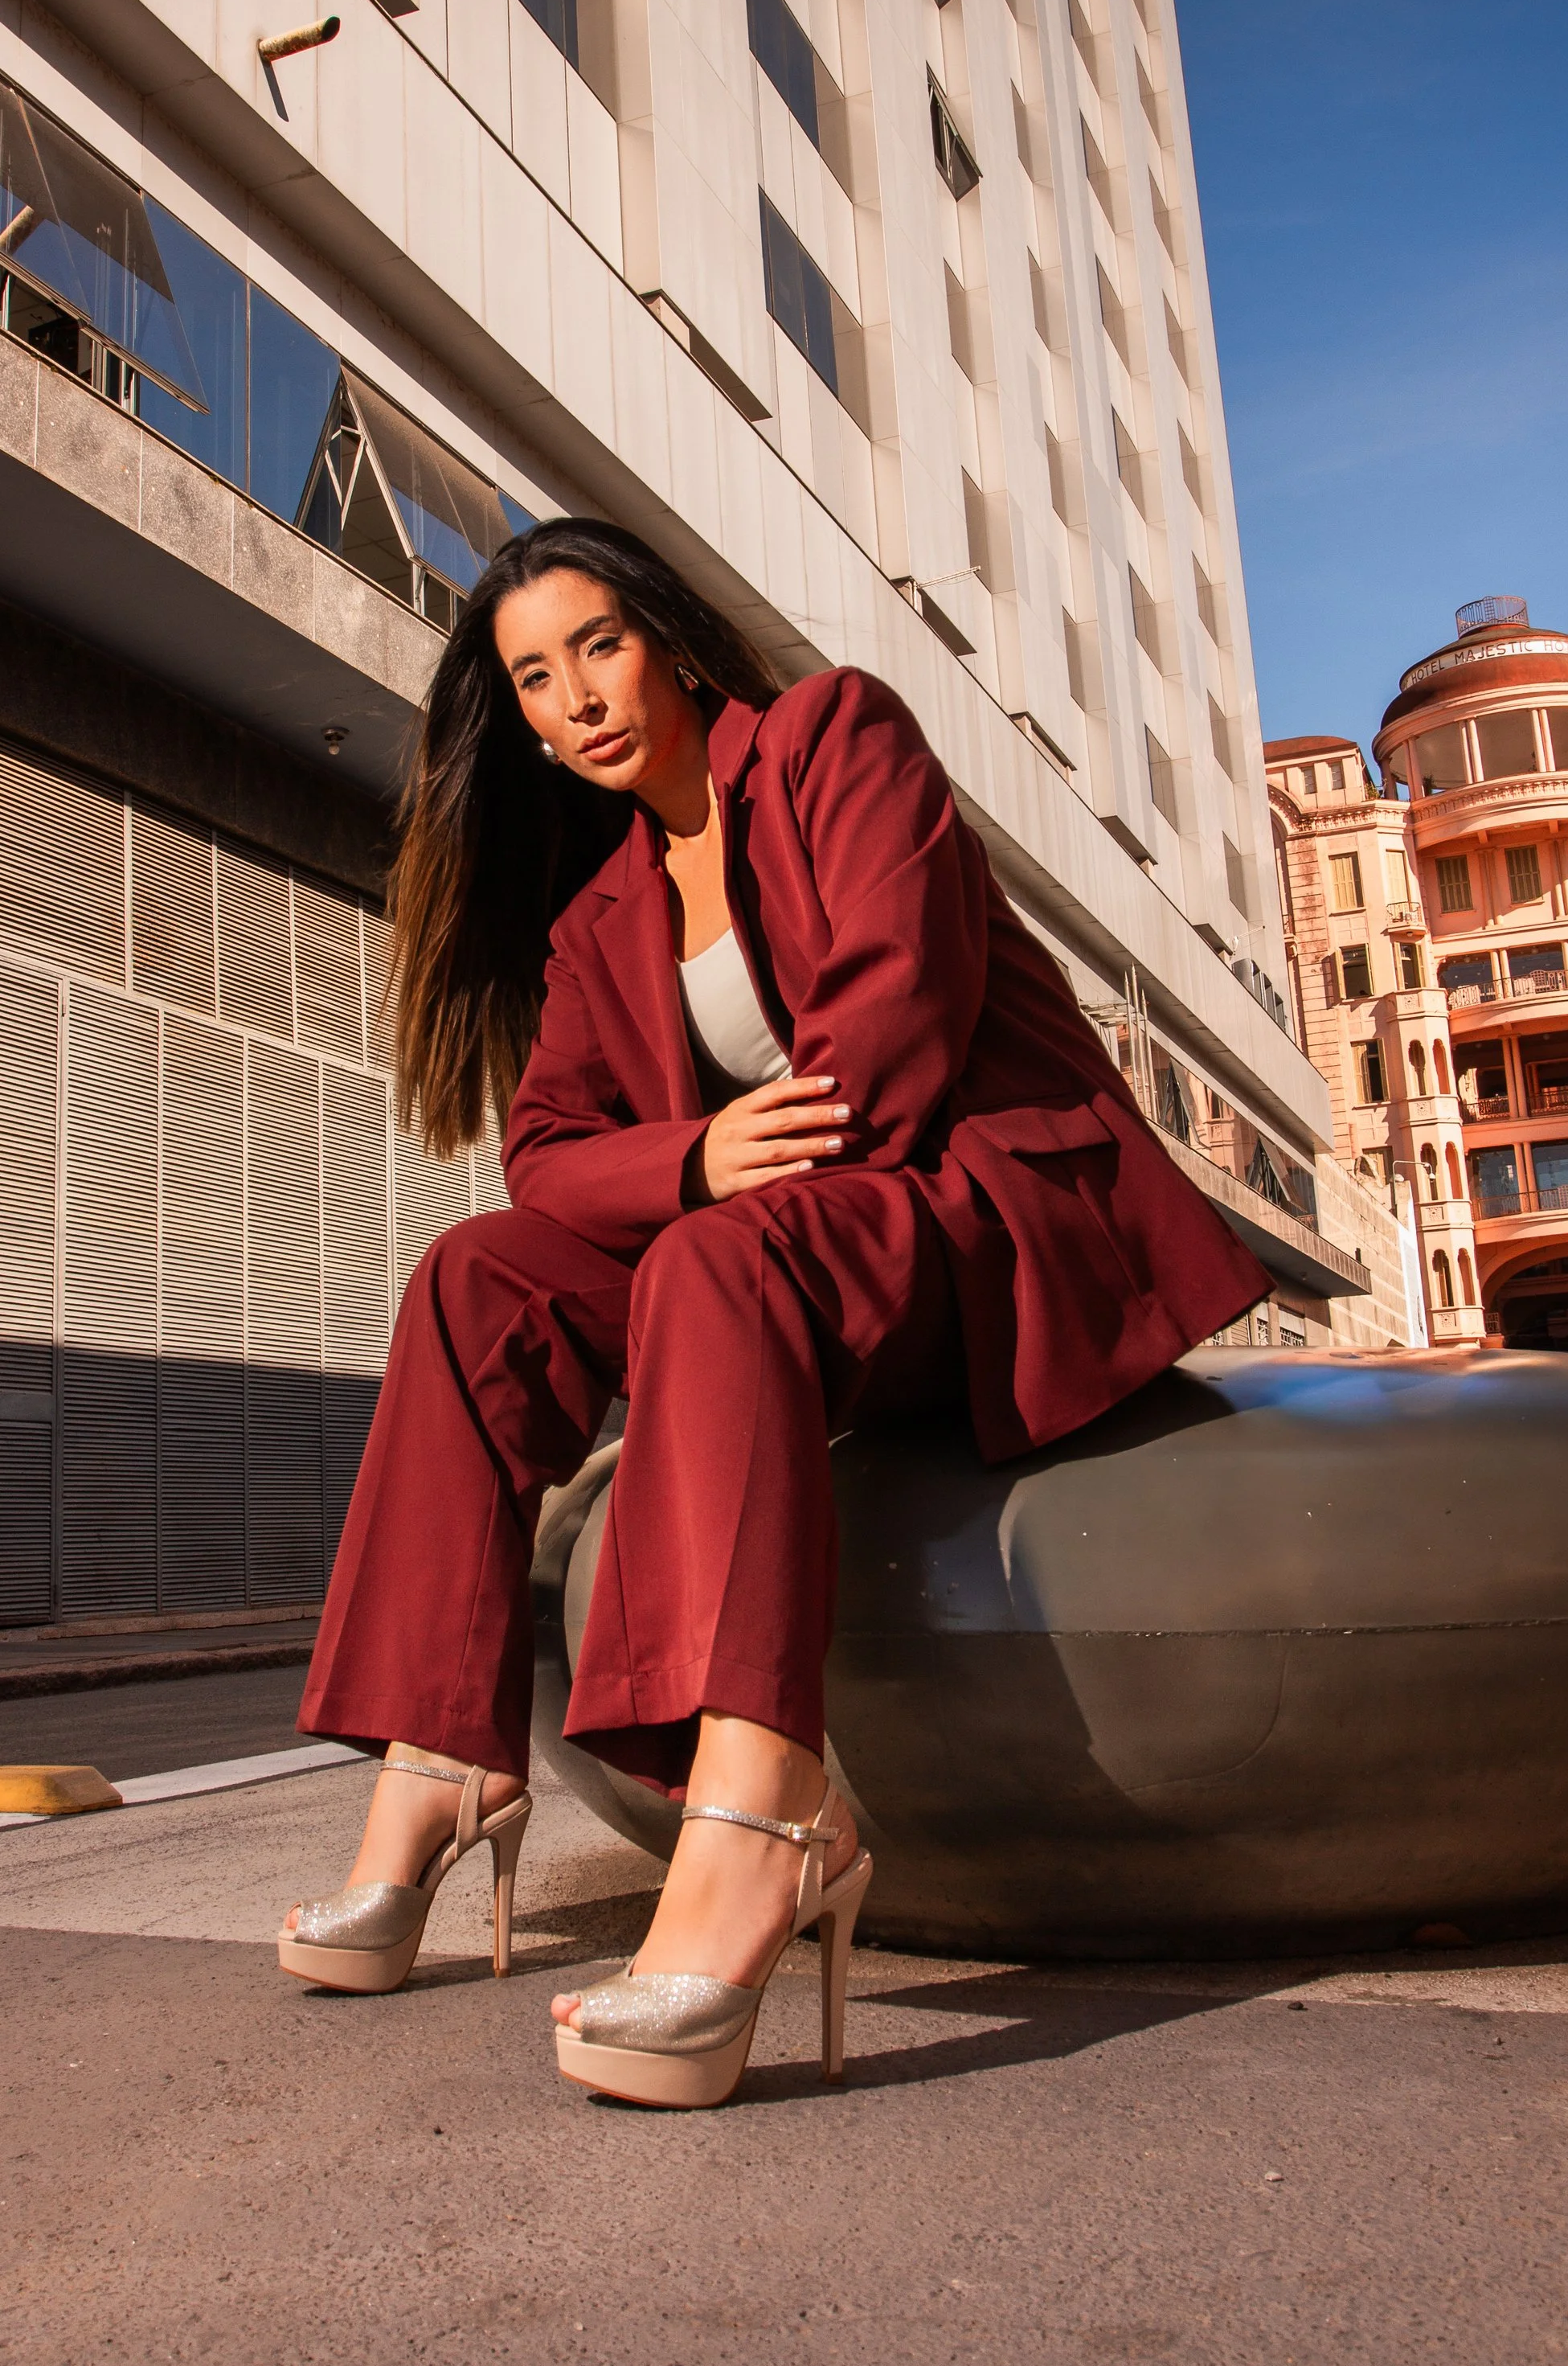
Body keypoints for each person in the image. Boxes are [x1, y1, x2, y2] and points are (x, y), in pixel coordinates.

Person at [281, 517, 1270, 2106]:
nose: (574, 700)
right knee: (474, 1282)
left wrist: (723, 1188)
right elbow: (541, 1159)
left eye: (596, 647)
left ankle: (767, 1814)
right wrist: (693, 1155)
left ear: (664, 639)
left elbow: (900, 1013)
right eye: (533, 678)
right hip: (791, 1251)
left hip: (974, 1206)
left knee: (709, 1258)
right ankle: (438, 1768)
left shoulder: (831, 738)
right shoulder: (598, 922)